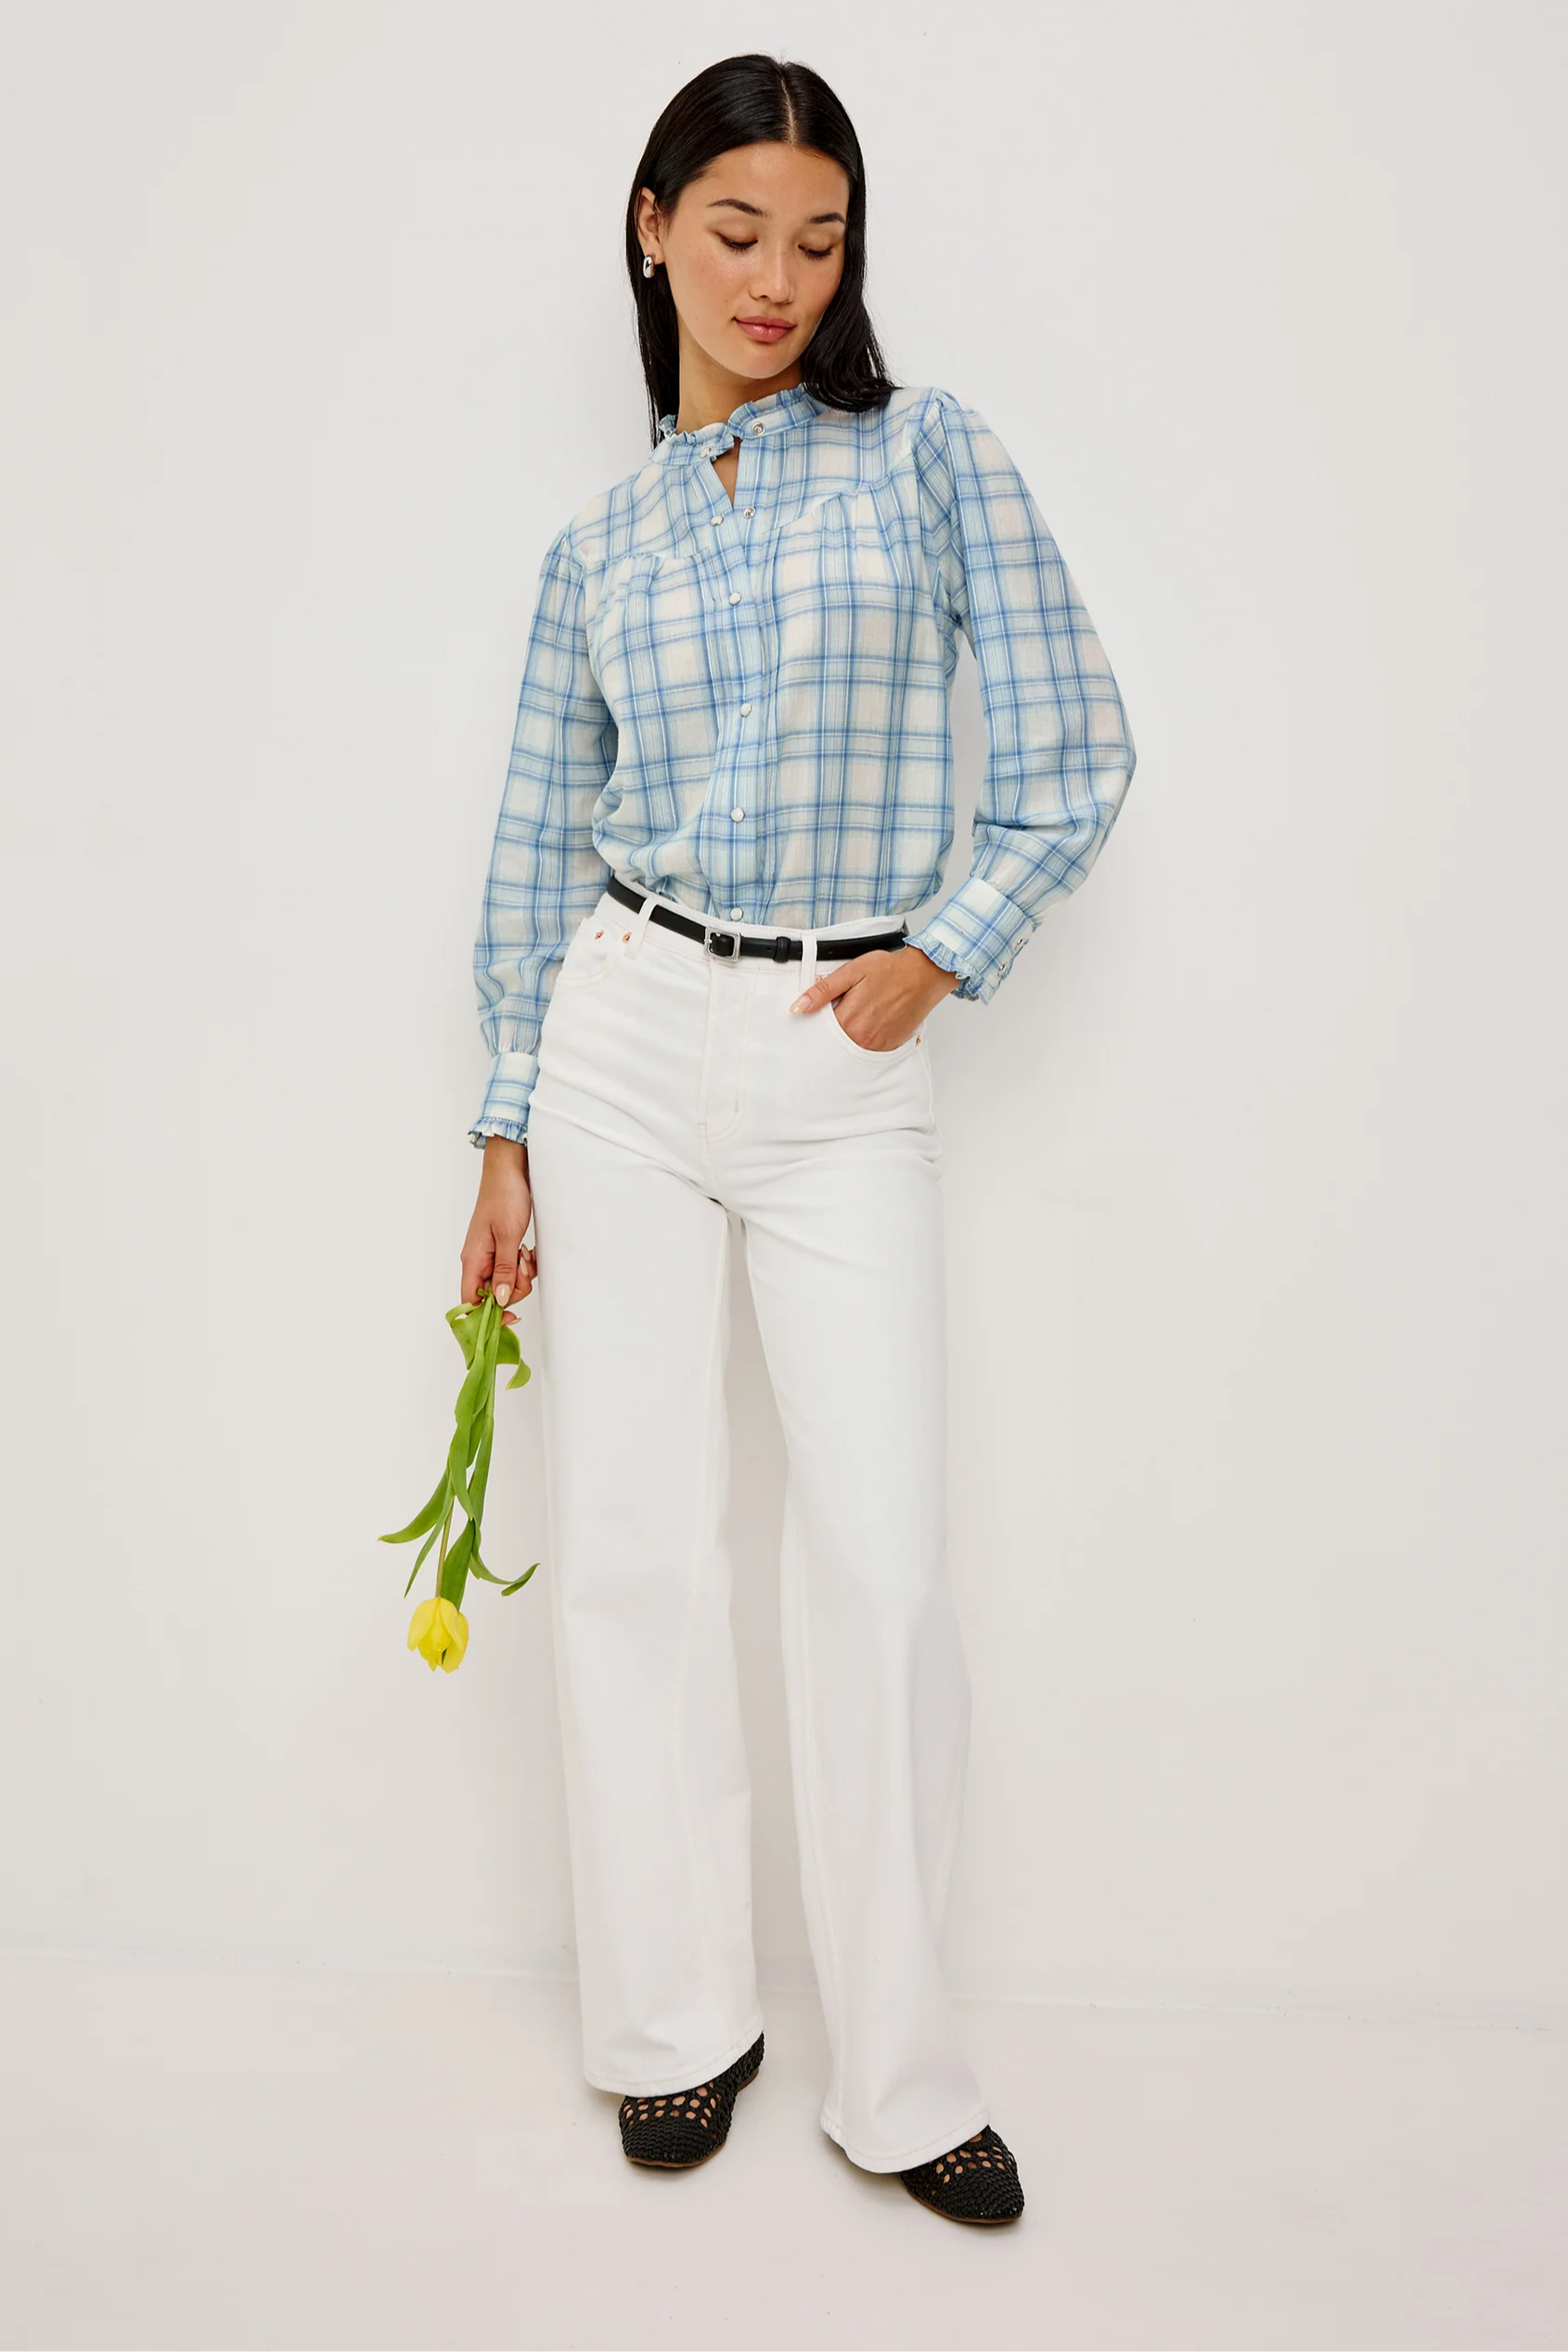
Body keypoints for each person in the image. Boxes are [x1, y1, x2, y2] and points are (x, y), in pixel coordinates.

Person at [459, 52, 1134, 2227]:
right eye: (736, 230)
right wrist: (503, 1127)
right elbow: (530, 852)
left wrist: (939, 956)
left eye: (818, 241)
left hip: (843, 1048)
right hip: (621, 1037)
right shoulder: (597, 547)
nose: (775, 279)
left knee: (880, 1563)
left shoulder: (926, 457)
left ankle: (900, 2075)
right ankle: (674, 2024)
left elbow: (1073, 751)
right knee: (634, 1545)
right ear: (651, 225)